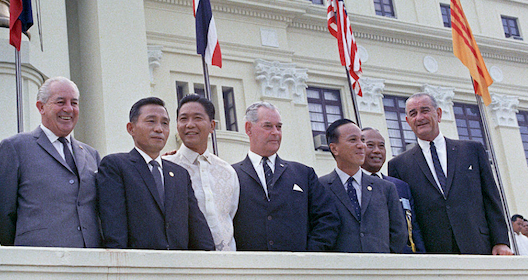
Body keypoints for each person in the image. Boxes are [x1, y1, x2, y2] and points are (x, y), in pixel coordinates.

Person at [388, 92, 512, 255]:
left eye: (425, 110)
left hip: (479, 245)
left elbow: (491, 198)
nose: (419, 117)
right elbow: (404, 217)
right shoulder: (398, 165)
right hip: (434, 253)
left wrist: (500, 241)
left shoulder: (472, 150)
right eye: (413, 113)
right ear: (408, 121)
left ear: (438, 114)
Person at [0, 77, 102, 247]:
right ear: (41, 107)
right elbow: (0, 209)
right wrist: (21, 246)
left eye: (74, 103)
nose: (69, 109)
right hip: (39, 260)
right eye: (60, 102)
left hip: (89, 260)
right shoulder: (15, 147)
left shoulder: (91, 154)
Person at [97, 97, 214, 250]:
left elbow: (198, 228)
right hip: (138, 267)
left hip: (178, 268)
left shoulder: (180, 174)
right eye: (151, 121)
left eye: (165, 123)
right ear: (131, 128)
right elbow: (114, 227)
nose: (159, 129)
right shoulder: (116, 166)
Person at [232, 101, 339, 251]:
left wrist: (310, 255)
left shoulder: (303, 174)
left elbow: (327, 219)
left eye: (279, 127)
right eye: (268, 126)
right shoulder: (231, 174)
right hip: (250, 270)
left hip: (298, 270)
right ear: (249, 128)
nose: (275, 132)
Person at [163, 94, 239, 251]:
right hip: (187, 263)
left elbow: (229, 216)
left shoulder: (227, 171)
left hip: (227, 265)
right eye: (183, 119)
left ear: (212, 125)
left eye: (197, 118)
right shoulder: (166, 167)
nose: (189, 125)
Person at [319, 119, 407, 253]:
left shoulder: (386, 188)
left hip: (380, 268)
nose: (361, 146)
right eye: (353, 140)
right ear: (334, 148)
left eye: (362, 140)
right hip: (340, 269)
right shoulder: (321, 187)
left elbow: (398, 234)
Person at [360, 127, 426, 253]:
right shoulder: (353, 186)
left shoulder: (400, 186)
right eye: (370, 145)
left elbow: (414, 228)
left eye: (381, 146)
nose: (377, 151)